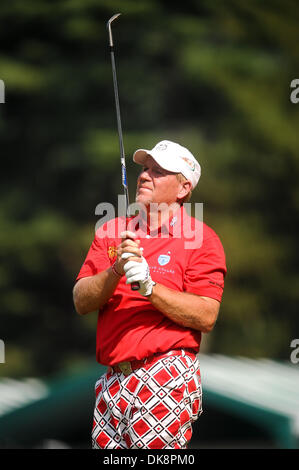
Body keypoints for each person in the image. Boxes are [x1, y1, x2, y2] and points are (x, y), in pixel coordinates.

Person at [73, 140, 227, 449]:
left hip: (164, 372)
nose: (145, 176)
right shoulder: (112, 232)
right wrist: (116, 270)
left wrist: (150, 287)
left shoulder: (202, 240)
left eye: (159, 172)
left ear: (183, 188)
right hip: (112, 378)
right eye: (145, 169)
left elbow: (206, 315)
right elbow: (81, 300)